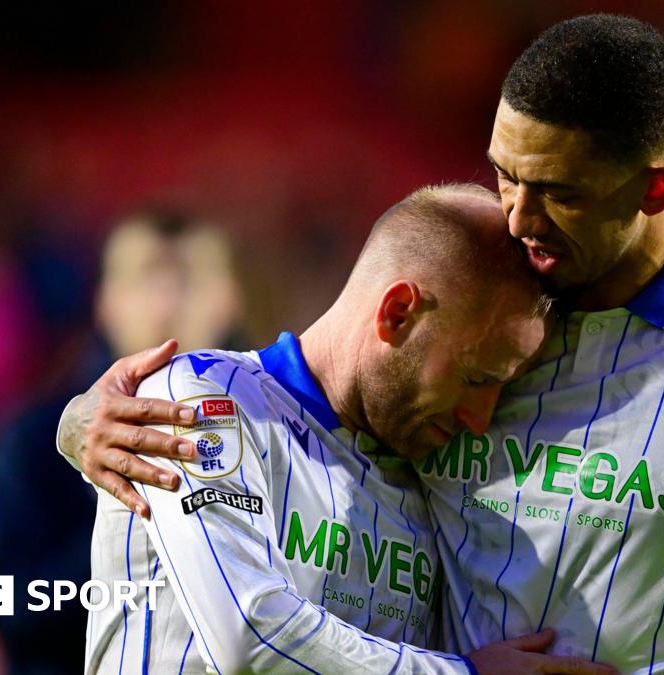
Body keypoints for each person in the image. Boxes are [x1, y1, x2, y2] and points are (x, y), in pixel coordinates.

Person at [62, 15, 664, 672]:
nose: (520, 220)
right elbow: (253, 581)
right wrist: (79, 423)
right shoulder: (485, 303)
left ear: (654, 188)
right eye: (505, 176)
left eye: (556, 192)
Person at [71, 183, 624, 674]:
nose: (478, 419)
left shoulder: (424, 472)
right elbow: (249, 636)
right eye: (473, 376)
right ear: (398, 312)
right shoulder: (203, 397)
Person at [0, 209, 242, 674]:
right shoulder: (35, 437)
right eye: (145, 278)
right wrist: (134, 507)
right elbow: (13, 609)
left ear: (231, 298)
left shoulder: (280, 433)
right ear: (105, 300)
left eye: (189, 278)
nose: (166, 303)